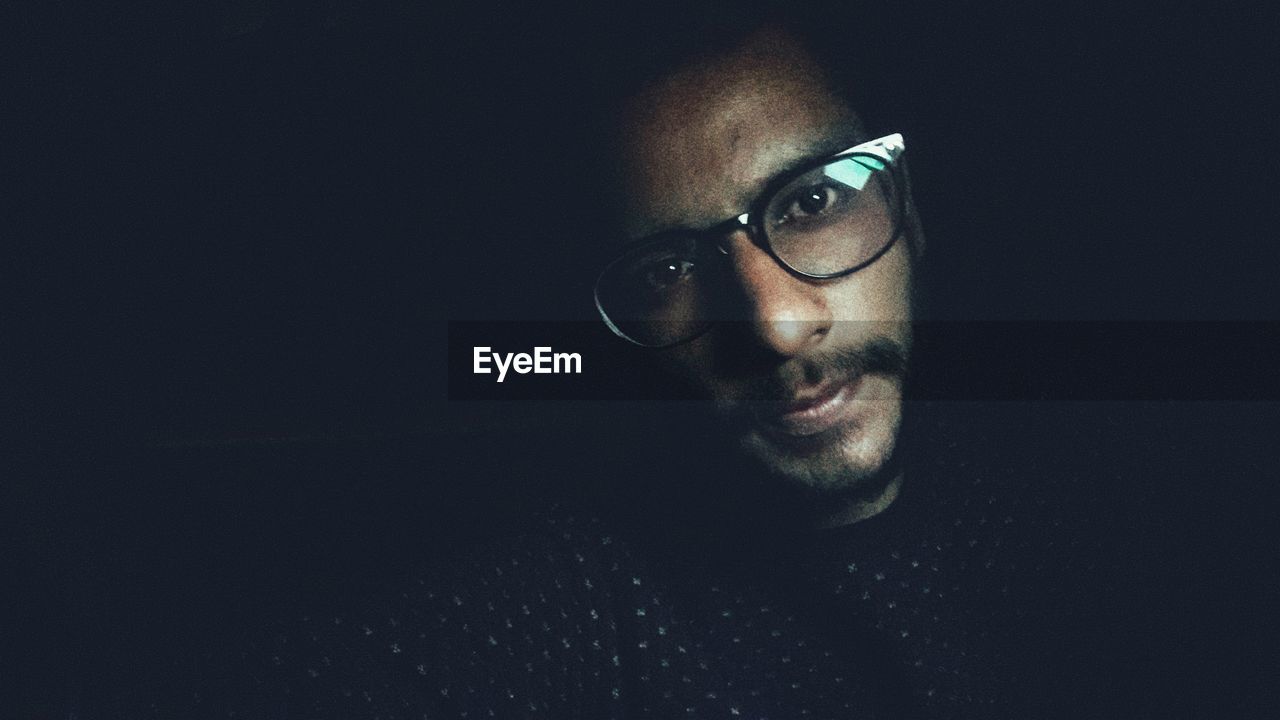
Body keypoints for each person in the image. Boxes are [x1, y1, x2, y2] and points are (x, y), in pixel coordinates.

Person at [111, 7, 1119, 720]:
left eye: (811, 202)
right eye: (666, 269)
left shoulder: (1132, 489)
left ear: (910, 216)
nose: (770, 326)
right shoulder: (593, 594)